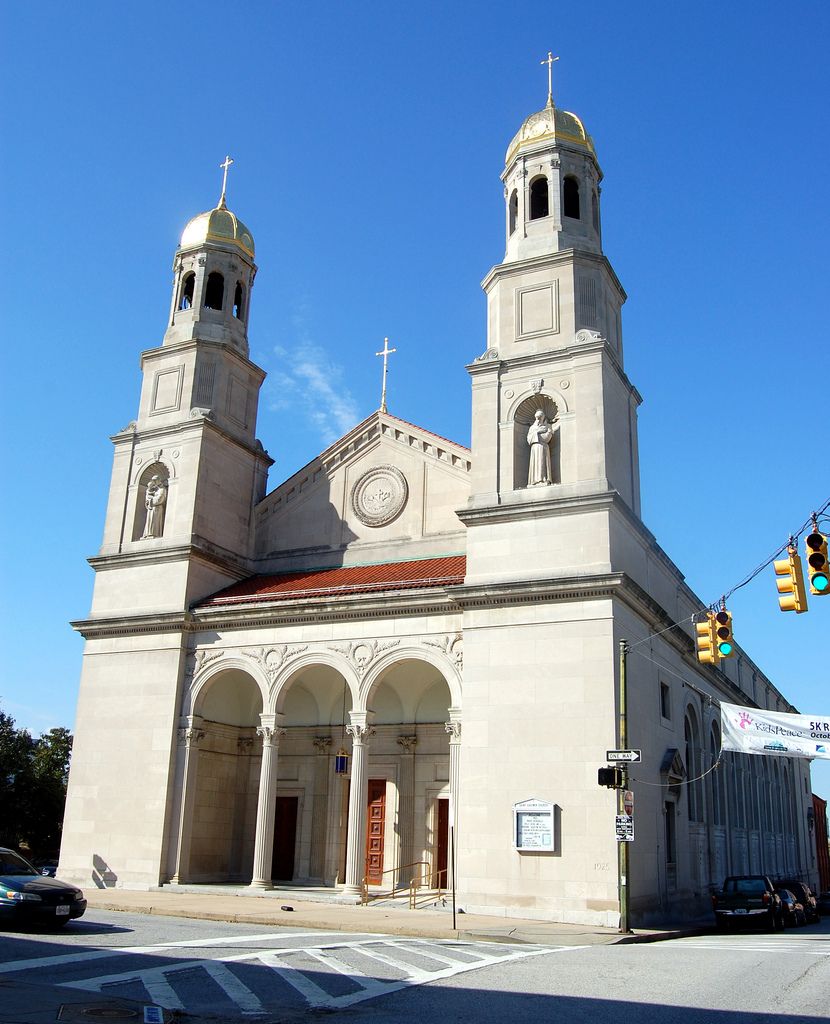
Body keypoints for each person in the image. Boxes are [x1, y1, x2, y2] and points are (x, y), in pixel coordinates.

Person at [526, 410, 556, 486]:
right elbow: (529, 439)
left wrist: (548, 433)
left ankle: (543, 479)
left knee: (542, 462)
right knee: (536, 463)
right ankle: (535, 480)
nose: (538, 419)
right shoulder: (532, 428)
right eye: (537, 418)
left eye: (540, 418)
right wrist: (537, 432)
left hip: (543, 447)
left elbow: (546, 438)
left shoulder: (546, 427)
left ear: (543, 418)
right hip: (535, 447)